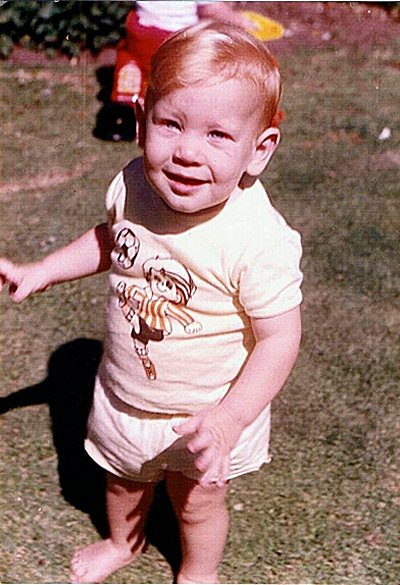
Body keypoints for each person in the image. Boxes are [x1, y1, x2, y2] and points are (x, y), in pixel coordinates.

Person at [0, 21, 303, 585]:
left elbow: (280, 337)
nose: (187, 151)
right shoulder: (135, 185)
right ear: (141, 122)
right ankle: (123, 543)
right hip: (125, 395)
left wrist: (231, 418)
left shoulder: (257, 239)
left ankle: (198, 572)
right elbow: (111, 239)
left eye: (218, 135)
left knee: (198, 503)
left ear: (258, 150)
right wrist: (43, 271)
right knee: (122, 482)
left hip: (208, 415)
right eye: (171, 124)